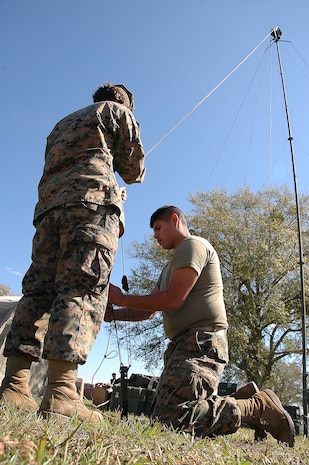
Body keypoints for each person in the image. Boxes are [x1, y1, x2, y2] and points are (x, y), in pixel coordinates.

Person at [0, 82, 146, 423]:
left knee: (37, 292)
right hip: (91, 209)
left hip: (49, 212)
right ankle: (62, 392)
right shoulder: (116, 112)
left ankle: (14, 385)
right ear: (123, 101)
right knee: (80, 288)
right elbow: (134, 170)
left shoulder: (61, 125)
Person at [106, 205, 295, 446]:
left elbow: (173, 300)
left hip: (202, 342)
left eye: (158, 228)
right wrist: (113, 314)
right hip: (183, 345)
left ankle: (257, 407)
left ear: (175, 220)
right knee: (163, 421)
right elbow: (149, 311)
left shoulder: (192, 245)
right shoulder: (169, 267)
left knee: (175, 420)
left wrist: (121, 297)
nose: (155, 235)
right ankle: (241, 398)